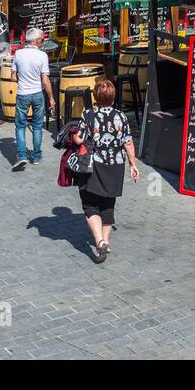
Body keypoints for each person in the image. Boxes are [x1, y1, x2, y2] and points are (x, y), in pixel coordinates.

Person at [71, 80, 139, 263]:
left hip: (94, 166)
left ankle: (100, 241)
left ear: (95, 96)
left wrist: (74, 135)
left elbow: (80, 140)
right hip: (115, 166)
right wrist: (133, 164)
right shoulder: (121, 116)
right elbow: (128, 142)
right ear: (113, 97)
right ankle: (106, 241)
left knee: (90, 204)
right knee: (108, 204)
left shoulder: (89, 114)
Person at [10, 27, 54, 171]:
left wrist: (23, 83)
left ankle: (22, 155)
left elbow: (12, 76)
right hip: (37, 94)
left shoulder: (18, 54)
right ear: (36, 41)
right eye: (42, 39)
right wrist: (51, 98)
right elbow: (45, 80)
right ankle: (36, 156)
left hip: (22, 94)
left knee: (20, 126)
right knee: (37, 126)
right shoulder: (42, 56)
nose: (43, 41)